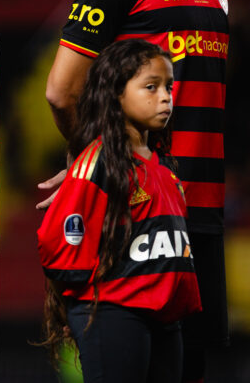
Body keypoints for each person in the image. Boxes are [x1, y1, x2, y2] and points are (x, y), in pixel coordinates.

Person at [43, 0, 228, 382]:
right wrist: (98, 168)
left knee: (191, 369)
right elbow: (62, 90)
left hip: (204, 204)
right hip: (138, 212)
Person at [38, 40, 201, 383]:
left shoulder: (165, 167)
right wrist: (76, 310)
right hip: (114, 315)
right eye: (151, 87)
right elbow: (56, 247)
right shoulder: (96, 164)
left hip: (166, 319)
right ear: (115, 93)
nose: (165, 96)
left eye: (169, 86)